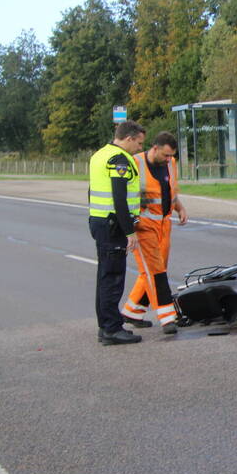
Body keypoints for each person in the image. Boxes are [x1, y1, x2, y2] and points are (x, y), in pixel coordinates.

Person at [121, 131, 188, 334]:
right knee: (154, 271)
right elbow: (124, 195)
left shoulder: (170, 163)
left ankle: (133, 311)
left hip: (164, 224)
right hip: (143, 225)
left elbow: (170, 192)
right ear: (155, 148)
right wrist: (129, 226)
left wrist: (180, 208)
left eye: (171, 156)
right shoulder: (135, 163)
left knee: (157, 268)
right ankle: (167, 317)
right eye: (166, 155)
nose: (169, 159)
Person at [89, 121, 146, 345]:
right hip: (113, 225)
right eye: (139, 143)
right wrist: (129, 231)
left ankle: (105, 326)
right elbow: (119, 198)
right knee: (113, 278)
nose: (140, 148)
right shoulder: (119, 160)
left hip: (100, 220)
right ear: (129, 138)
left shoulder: (99, 155)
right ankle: (112, 329)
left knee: (104, 276)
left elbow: (91, 191)